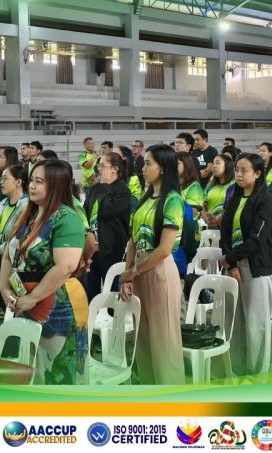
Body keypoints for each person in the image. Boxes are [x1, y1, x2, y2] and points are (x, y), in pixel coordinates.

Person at [1, 160, 88, 385]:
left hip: (56, 306)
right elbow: (9, 254)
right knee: (33, 369)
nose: (32, 186)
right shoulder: (29, 215)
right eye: (31, 180)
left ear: (56, 185)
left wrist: (33, 298)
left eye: (39, 182)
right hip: (25, 302)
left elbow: (65, 266)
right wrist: (4, 289)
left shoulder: (67, 218)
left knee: (57, 373)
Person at [119, 144, 185, 385]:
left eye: (148, 164)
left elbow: (165, 249)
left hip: (160, 272)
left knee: (164, 341)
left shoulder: (173, 200)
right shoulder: (146, 199)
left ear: (163, 168)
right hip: (140, 270)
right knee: (144, 340)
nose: (143, 168)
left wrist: (133, 271)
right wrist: (128, 275)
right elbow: (133, 240)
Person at [220, 153, 272, 377]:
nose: (239, 174)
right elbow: (225, 233)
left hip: (255, 268)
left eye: (244, 170)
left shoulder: (266, 201)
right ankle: (236, 367)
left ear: (257, 174)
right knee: (235, 321)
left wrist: (231, 258)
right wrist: (231, 262)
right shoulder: (234, 198)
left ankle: (257, 374)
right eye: (237, 170)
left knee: (256, 324)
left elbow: (257, 239)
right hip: (234, 266)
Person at [84, 153, 131, 302]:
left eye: (102, 166)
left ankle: (112, 315)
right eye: (99, 166)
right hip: (93, 249)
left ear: (114, 169)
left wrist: (105, 186)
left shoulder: (122, 191)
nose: (99, 169)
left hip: (112, 248)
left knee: (111, 291)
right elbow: (85, 212)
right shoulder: (95, 189)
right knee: (91, 290)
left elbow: (107, 210)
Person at [0, 165, 28, 316]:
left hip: (16, 262)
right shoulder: (3, 204)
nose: (1, 182)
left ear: (18, 182)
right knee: (4, 300)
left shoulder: (26, 206)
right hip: (0, 259)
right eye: (1, 179)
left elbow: (18, 239)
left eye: (5, 179)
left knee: (17, 303)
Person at [203, 154, 234, 229]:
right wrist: (206, 218)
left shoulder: (234, 184)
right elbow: (203, 204)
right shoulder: (210, 184)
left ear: (227, 165)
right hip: (210, 226)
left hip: (228, 226)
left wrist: (220, 220)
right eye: (213, 163)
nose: (214, 166)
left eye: (218, 163)